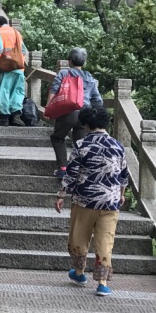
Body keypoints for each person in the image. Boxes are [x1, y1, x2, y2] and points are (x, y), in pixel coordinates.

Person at [54, 106, 128, 296]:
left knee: (79, 236)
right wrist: (121, 193)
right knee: (105, 240)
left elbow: (71, 173)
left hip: (85, 200)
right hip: (110, 202)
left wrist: (62, 194)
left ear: (85, 124)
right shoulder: (117, 146)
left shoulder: (81, 145)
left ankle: (79, 273)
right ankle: (102, 283)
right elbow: (123, 174)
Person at [47, 47, 103, 177]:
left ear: (69, 61)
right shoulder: (89, 77)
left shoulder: (64, 74)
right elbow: (98, 100)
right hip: (84, 114)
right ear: (84, 62)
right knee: (80, 143)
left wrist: (48, 108)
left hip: (67, 111)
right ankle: (79, 170)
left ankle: (63, 168)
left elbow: (54, 90)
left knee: (58, 138)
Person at [0, 14, 28, 125]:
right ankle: (16, 116)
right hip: (19, 68)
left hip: (5, 67)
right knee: (18, 91)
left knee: (4, 91)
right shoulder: (17, 32)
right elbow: (24, 51)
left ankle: (4, 117)